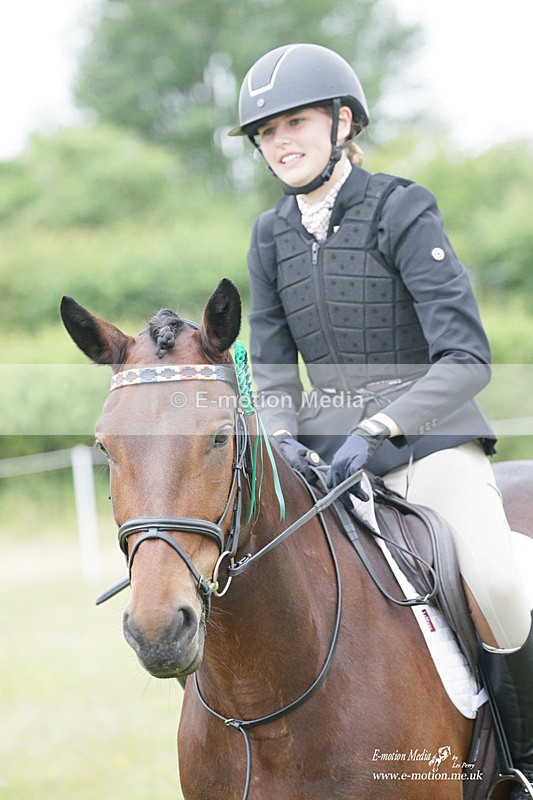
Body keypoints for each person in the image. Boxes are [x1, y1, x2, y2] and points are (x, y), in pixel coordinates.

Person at [229, 43, 533, 797]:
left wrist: (381, 428)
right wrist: (279, 439)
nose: (281, 143)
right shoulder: (269, 237)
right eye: (266, 133)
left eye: (294, 122)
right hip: (328, 465)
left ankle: (522, 760)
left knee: (495, 581)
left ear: (341, 121)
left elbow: (466, 356)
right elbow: (270, 369)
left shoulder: (402, 206)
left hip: (428, 444)